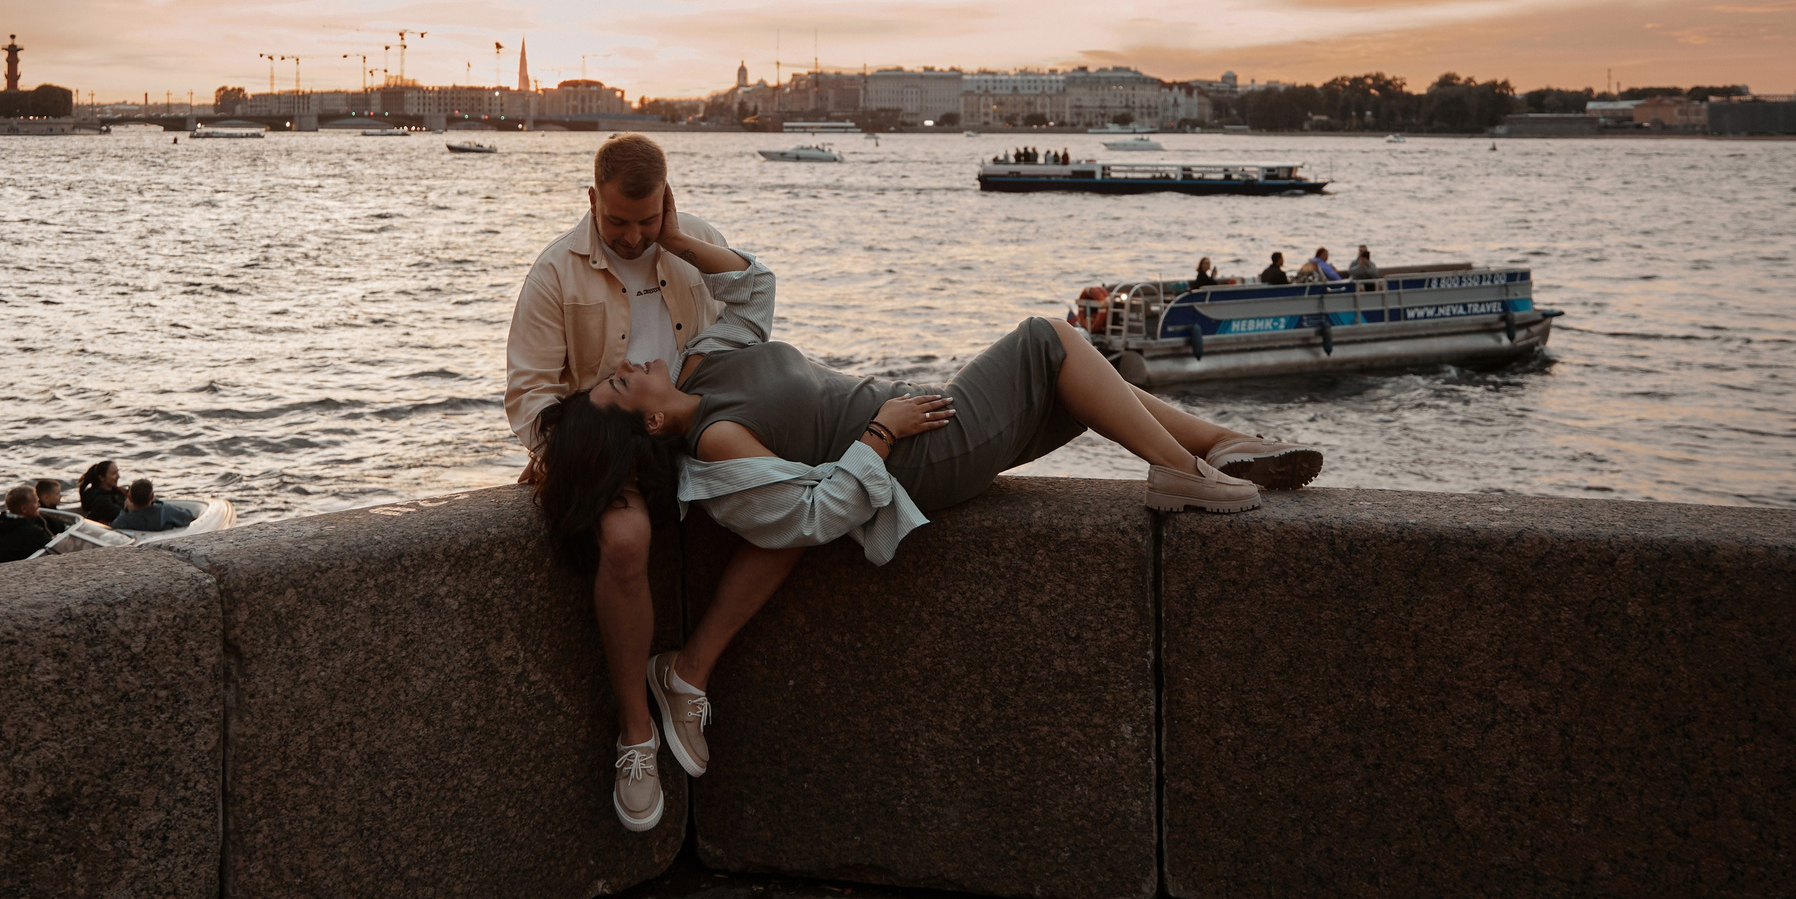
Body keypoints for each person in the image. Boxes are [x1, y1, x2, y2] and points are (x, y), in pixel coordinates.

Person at [541, 316, 1321, 801]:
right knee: (1048, 341)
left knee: (1074, 382)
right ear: (646, 419)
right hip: (920, 453)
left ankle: (1221, 445)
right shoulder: (715, 443)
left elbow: (749, 282)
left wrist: (674, 229)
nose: (633, 358)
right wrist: (880, 431)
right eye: (621, 379)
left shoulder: (706, 360)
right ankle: (1184, 470)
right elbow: (812, 514)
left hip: (916, 415)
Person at [505, 133, 780, 835]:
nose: (633, 236)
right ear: (592, 200)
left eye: (648, 220)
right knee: (625, 541)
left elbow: (756, 311)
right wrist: (583, 452)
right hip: (604, 452)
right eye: (618, 220)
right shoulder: (553, 273)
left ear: (668, 202)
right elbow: (529, 396)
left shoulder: (696, 246)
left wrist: (681, 243)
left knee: (793, 508)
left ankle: (686, 676)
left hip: (692, 434)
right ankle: (635, 736)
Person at [0, 485, 57, 566]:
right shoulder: (30, 532)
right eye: (36, 502)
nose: (39, 505)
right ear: (24, 509)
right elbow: (55, 550)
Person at [113, 479, 199, 533]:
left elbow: (114, 526)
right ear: (152, 496)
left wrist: (125, 510)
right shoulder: (165, 511)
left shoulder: (125, 519)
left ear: (129, 498)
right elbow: (187, 516)